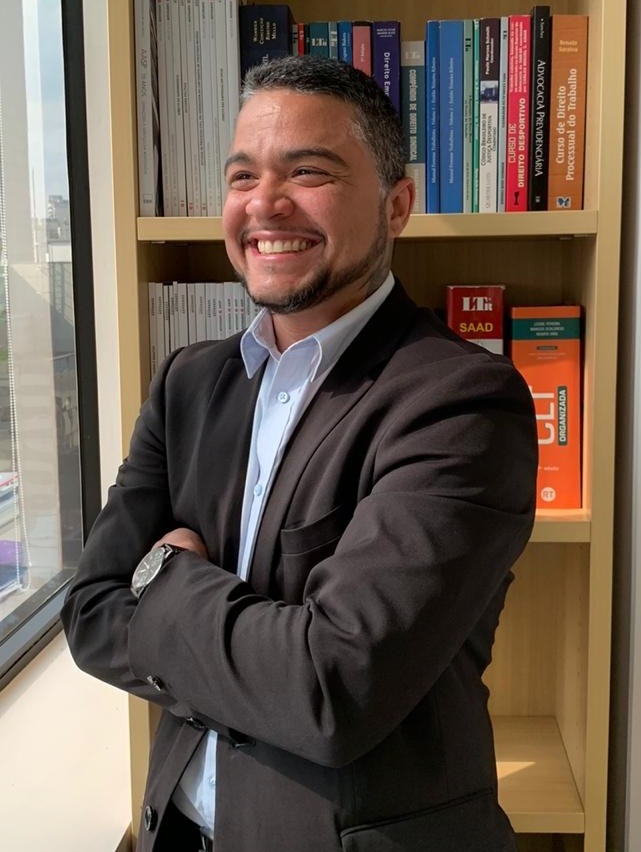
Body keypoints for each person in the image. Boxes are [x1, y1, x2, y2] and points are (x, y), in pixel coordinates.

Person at [62, 55, 538, 852]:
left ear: (396, 206)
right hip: (177, 830)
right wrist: (260, 668)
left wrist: (164, 577)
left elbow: (331, 690)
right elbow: (89, 613)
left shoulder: (461, 402)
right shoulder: (189, 383)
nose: (264, 203)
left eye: (307, 171)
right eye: (242, 176)